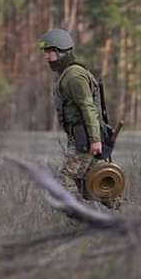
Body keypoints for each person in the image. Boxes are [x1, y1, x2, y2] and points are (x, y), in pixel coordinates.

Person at [38, 28, 120, 208]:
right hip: (81, 137)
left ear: (60, 52)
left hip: (85, 140)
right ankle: (127, 216)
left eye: (49, 52)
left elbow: (88, 108)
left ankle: (77, 219)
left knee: (64, 183)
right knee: (93, 184)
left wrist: (95, 140)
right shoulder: (68, 74)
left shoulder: (74, 76)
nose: (46, 57)